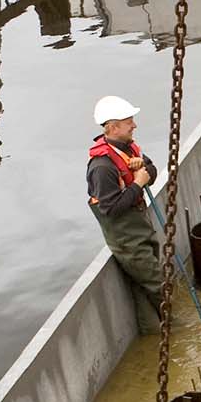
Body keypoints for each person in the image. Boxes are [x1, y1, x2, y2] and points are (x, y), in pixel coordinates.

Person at [86, 95, 165, 335]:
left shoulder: (128, 148)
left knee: (145, 282)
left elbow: (151, 169)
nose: (134, 125)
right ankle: (177, 326)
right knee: (158, 283)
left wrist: (144, 169)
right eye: (129, 121)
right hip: (125, 237)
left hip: (139, 226)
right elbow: (110, 209)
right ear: (112, 127)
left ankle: (152, 330)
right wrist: (138, 184)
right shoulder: (102, 167)